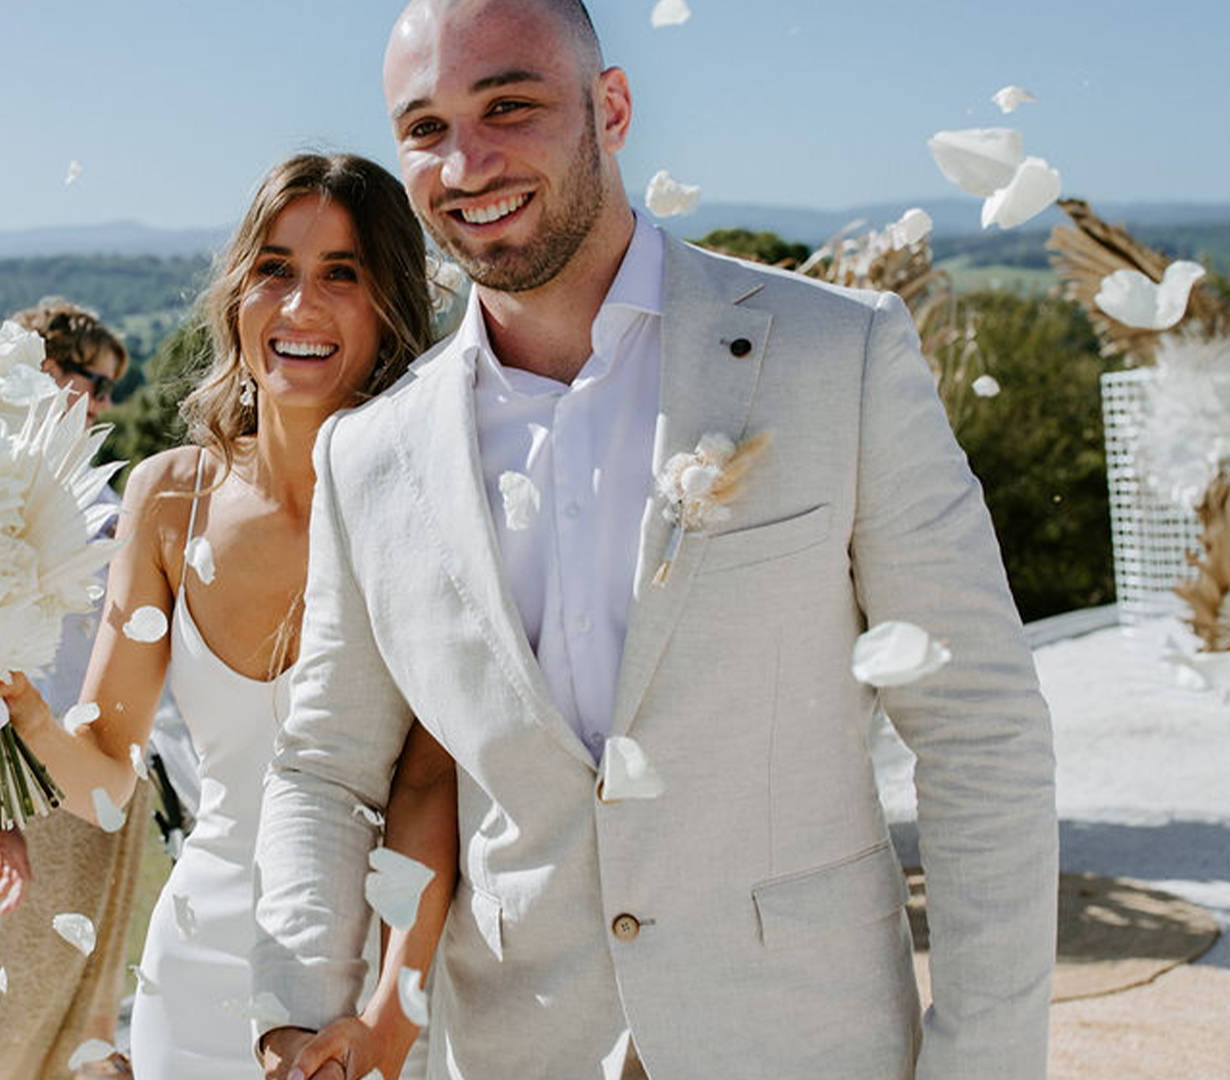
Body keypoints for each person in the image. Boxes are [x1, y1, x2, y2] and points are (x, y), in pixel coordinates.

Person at [249, 3, 1059, 1078]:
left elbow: (981, 732)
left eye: (508, 106)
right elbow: (325, 768)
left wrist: (985, 1065)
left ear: (612, 107)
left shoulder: (835, 358)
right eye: (426, 128)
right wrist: (297, 1012)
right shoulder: (370, 456)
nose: (468, 160)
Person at [0, 153, 457, 1079]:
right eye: (274, 269)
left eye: (344, 273)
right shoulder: (170, 500)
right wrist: (21, 712)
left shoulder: (435, 502)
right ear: (236, 292)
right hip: (199, 970)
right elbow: (105, 786)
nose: (300, 307)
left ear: (393, 306)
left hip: (393, 982)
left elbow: (429, 791)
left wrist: (384, 1025)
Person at [0, 298, 149, 1080]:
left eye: (111, 388)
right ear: (46, 371)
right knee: (26, 1009)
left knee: (94, 1000)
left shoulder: (90, 488)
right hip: (37, 781)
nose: (105, 403)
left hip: (115, 765)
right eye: (93, 382)